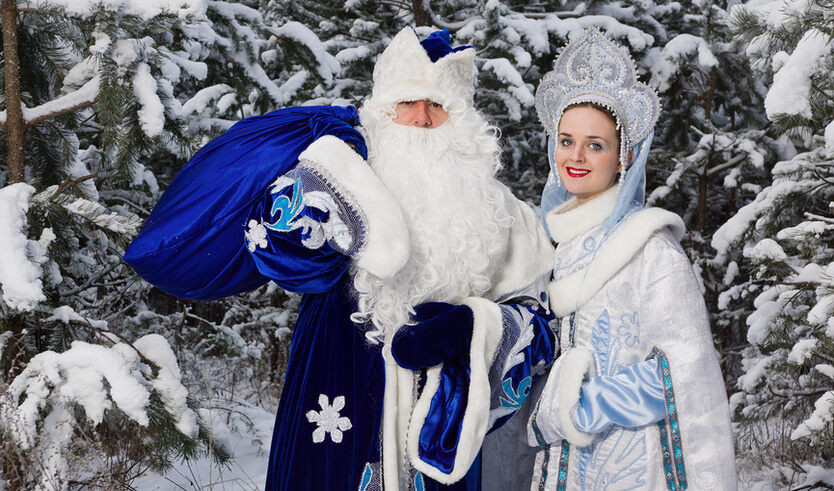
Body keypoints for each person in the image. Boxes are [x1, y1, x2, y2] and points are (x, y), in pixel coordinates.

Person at [126, 27, 557, 490]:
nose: (421, 119)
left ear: (463, 120)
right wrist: (335, 202)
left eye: (438, 106)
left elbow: (539, 324)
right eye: (407, 103)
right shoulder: (343, 176)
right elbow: (280, 251)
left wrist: (473, 330)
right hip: (336, 377)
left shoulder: (504, 213)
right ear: (383, 110)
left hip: (441, 411)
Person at [525, 28, 737, 489]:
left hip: (632, 468)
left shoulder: (650, 250)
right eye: (566, 140)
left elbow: (680, 374)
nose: (575, 156)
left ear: (623, 157)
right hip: (560, 469)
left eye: (595, 145)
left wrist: (578, 408)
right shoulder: (547, 244)